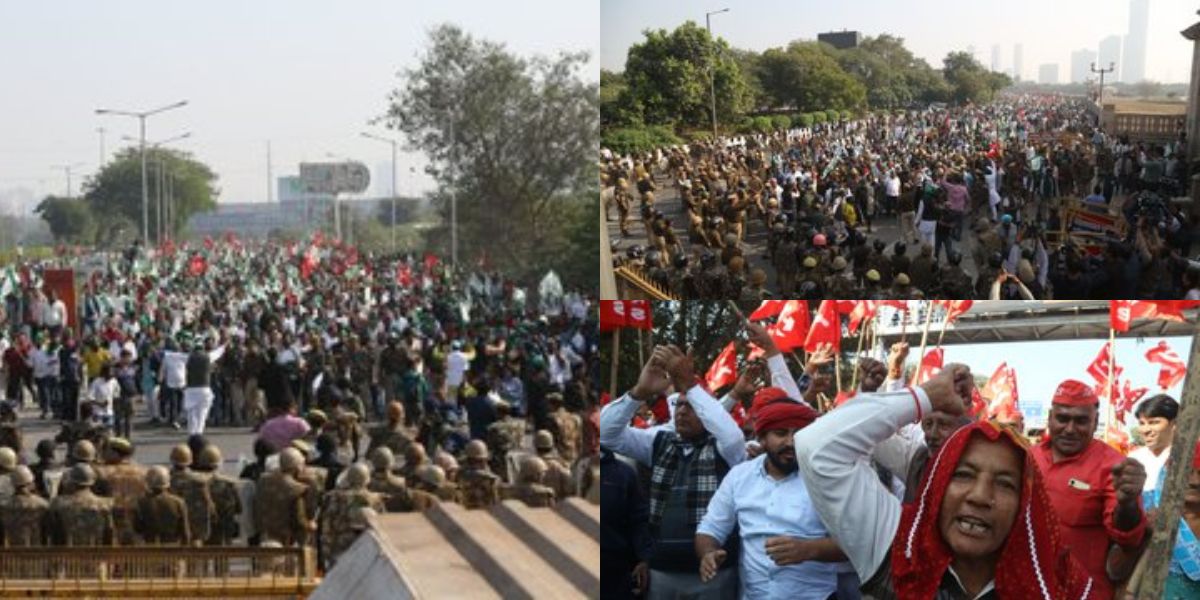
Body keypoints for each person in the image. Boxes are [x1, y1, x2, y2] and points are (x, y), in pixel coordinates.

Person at [794, 364, 1095, 598]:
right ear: (936, 485)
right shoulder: (896, 546)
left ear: (1025, 504)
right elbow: (817, 446)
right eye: (962, 475)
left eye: (1005, 483)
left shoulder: (1055, 580)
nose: (979, 496)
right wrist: (926, 396)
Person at [601, 345, 747, 599]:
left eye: (690, 406)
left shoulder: (725, 449)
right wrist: (640, 392)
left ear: (706, 411)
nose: (681, 411)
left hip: (715, 573)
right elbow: (606, 433)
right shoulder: (658, 442)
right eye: (678, 406)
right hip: (662, 572)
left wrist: (689, 384)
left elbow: (732, 434)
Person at [695, 398, 841, 599]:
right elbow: (710, 529)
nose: (791, 442)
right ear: (762, 438)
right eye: (781, 433)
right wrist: (708, 553)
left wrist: (809, 549)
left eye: (799, 433)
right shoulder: (739, 477)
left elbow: (855, 542)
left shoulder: (827, 478)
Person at [1030, 379, 1148, 599]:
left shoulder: (1114, 466)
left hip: (1083, 593)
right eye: (1062, 418)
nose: (1070, 429)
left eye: (1081, 421)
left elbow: (1128, 538)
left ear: (1095, 423)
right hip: (1025, 586)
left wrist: (1128, 502)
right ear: (1050, 418)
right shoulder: (1028, 456)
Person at [320, 463, 383, 569]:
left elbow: (326, 525)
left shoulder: (334, 497)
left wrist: (326, 549)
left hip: (339, 550)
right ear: (367, 479)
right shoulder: (375, 499)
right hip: (366, 550)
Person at [254, 447, 315, 547]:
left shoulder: (262, 481)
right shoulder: (299, 489)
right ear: (298, 466)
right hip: (287, 540)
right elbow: (300, 520)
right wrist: (311, 525)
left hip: (265, 535)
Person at [1128, 394, 1178, 493]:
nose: (1146, 430)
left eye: (1154, 422)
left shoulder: (1187, 459)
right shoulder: (1134, 459)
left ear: (1174, 424)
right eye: (1142, 423)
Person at [134, 465, 191, 545]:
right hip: (172, 548)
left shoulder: (141, 502)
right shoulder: (178, 502)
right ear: (167, 481)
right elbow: (185, 533)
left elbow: (137, 529)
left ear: (148, 482)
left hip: (149, 549)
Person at [1, 466, 49, 547]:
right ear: (32, 483)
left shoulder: (4, 506)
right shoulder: (42, 505)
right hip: (38, 555)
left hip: (11, 556)